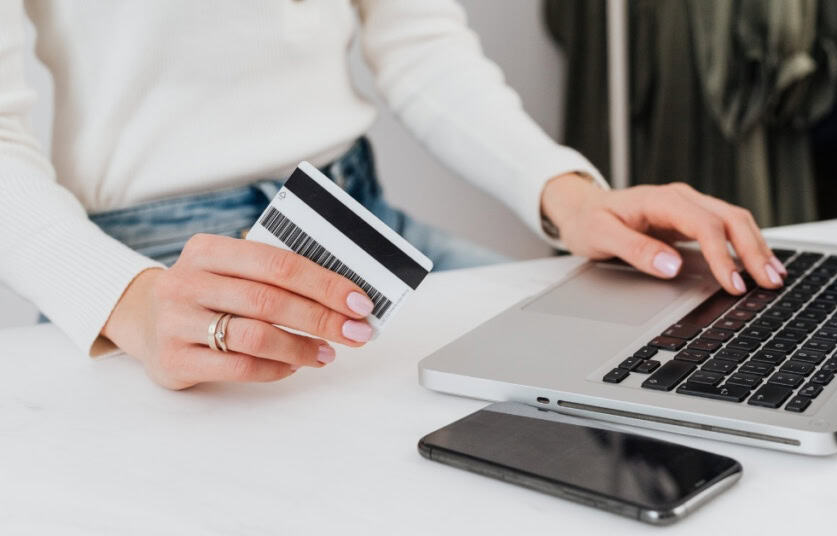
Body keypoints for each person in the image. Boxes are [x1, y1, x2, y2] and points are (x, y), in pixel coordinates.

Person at [0, 0, 787, 390]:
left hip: (362, 223)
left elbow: (421, 47)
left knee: (661, 358)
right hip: (158, 267)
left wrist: (567, 193)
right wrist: (130, 304)